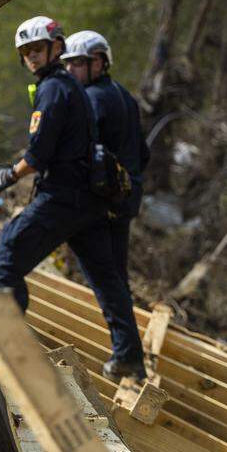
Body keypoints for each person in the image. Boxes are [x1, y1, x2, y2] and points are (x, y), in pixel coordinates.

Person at [0, 16, 146, 381]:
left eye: (37, 49)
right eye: (26, 53)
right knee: (108, 279)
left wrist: (8, 175)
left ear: (56, 47)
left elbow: (39, 154)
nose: (32, 58)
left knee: (6, 260)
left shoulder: (57, 89)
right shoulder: (91, 90)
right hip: (96, 203)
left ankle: (6, 356)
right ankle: (130, 358)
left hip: (65, 196)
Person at [62, 29, 150, 320]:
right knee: (116, 276)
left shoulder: (91, 99)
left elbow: (79, 152)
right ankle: (127, 344)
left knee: (104, 278)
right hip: (124, 201)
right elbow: (144, 154)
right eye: (66, 64)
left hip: (102, 202)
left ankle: (123, 347)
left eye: (75, 63)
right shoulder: (126, 97)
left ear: (98, 62)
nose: (68, 70)